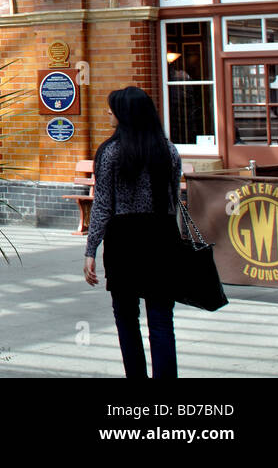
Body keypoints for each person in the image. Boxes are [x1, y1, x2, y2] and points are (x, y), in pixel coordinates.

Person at [84, 86, 184, 379]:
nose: (108, 113)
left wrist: (91, 250)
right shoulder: (168, 151)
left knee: (126, 318)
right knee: (162, 320)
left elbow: (102, 205)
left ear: (126, 114)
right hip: (162, 237)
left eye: (112, 108)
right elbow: (173, 199)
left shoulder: (110, 152)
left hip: (124, 240)